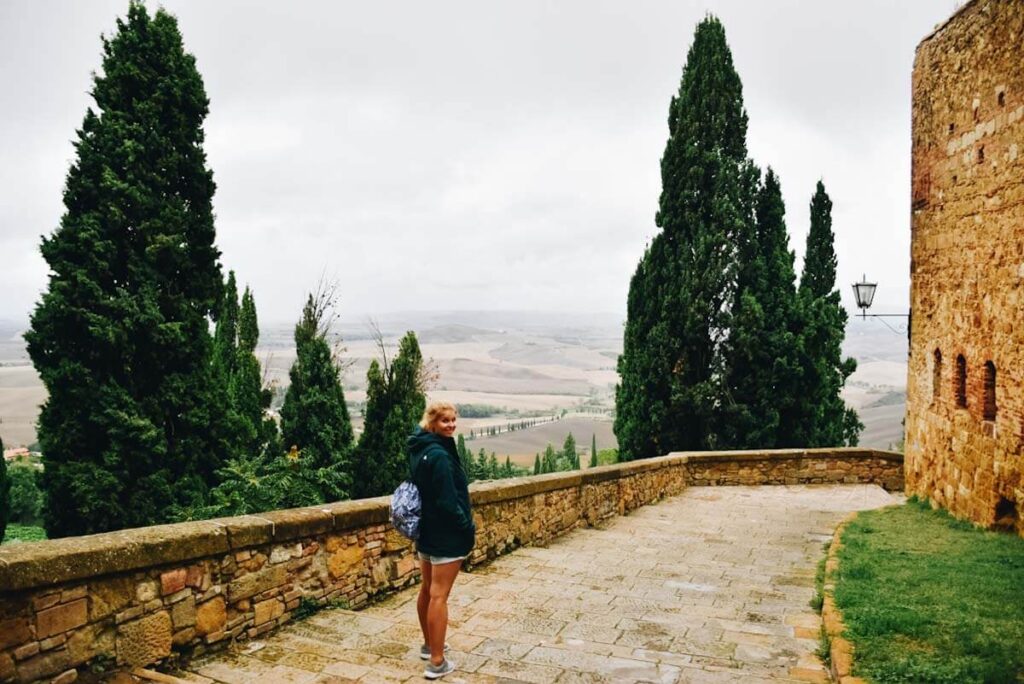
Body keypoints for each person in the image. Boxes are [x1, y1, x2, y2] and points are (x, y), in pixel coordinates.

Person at [408, 401, 475, 680]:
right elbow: (449, 501)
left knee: (427, 590)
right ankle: (437, 662)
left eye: (453, 420)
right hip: (446, 534)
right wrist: (466, 526)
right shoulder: (440, 456)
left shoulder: (419, 447)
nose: (451, 425)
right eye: (445, 421)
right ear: (432, 422)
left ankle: (428, 645)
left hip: (426, 531)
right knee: (439, 595)